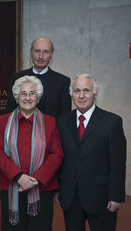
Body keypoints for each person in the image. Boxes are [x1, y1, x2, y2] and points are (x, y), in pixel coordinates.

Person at [56, 74, 126, 231]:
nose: (81, 96)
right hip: (70, 195)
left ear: (95, 93)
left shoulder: (112, 121)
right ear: (71, 94)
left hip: (101, 196)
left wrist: (116, 196)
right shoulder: (61, 121)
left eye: (86, 90)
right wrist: (58, 188)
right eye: (77, 91)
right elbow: (59, 157)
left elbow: (118, 162)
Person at [0, 75, 64, 231]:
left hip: (41, 189)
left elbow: (56, 154)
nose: (27, 97)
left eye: (32, 93)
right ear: (17, 97)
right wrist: (18, 176)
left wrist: (36, 179)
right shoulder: (3, 121)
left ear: (38, 97)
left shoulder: (50, 121)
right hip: (12, 186)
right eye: (23, 93)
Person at [5, 37, 71, 117]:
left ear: (51, 55)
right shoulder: (17, 78)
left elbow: (65, 116)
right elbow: (10, 111)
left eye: (46, 52)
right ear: (31, 53)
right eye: (37, 51)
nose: (41, 56)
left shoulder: (63, 82)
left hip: (51, 128)